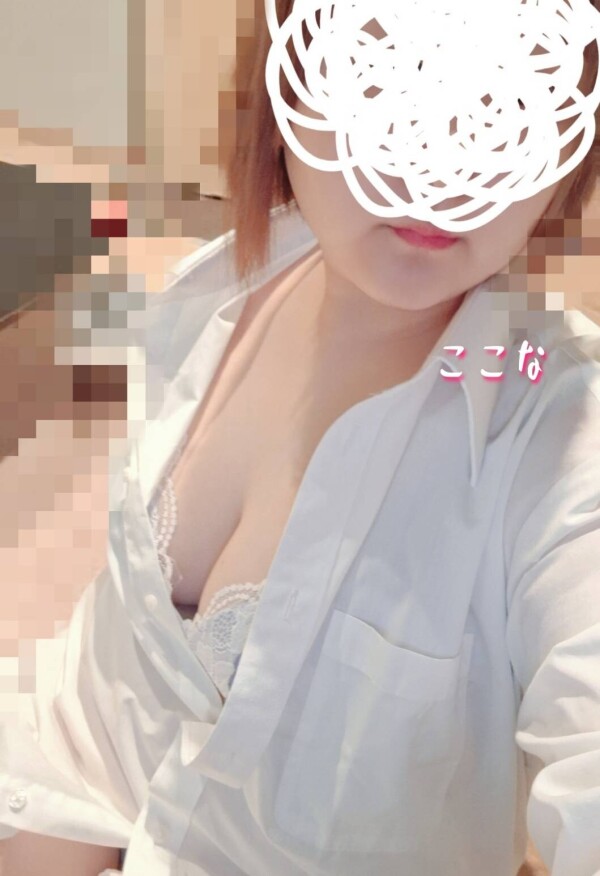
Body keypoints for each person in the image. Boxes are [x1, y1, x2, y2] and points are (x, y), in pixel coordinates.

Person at [1, 2, 600, 875]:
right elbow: (107, 691)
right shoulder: (220, 289)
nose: (439, 165)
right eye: (383, 67)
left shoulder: (554, 436)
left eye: (507, 91)